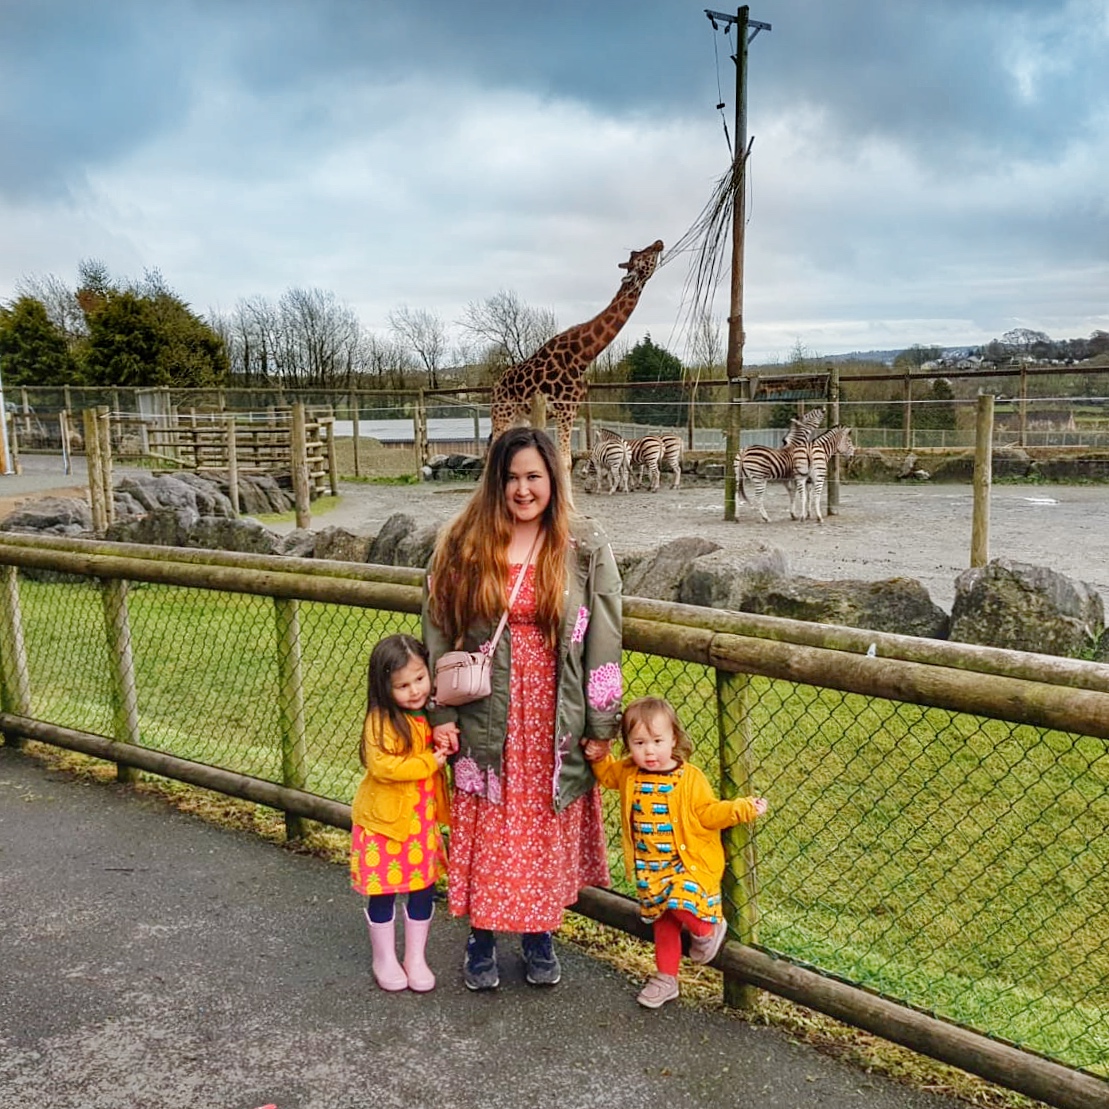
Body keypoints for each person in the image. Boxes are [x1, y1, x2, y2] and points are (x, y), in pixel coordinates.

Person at [423, 426, 623, 990]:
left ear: (553, 479)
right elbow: (440, 629)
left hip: (554, 717)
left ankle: (539, 934)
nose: (522, 489)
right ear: (496, 480)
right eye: (511, 477)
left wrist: (602, 723)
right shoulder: (464, 541)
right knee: (489, 823)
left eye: (533, 476)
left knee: (538, 824)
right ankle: (481, 937)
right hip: (486, 715)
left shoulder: (582, 546)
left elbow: (605, 636)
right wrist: (441, 713)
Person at [584, 695, 767, 1009]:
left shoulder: (690, 779)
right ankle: (666, 978)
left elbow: (709, 813)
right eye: (639, 743)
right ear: (628, 744)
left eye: (657, 741)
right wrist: (598, 756)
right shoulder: (629, 772)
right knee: (664, 921)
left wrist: (741, 809)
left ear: (674, 740)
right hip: (651, 869)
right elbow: (607, 775)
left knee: (679, 902)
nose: (649, 751)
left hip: (687, 864)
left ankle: (707, 928)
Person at [349, 633, 451, 992]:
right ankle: (384, 957)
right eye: (402, 685)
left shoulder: (430, 716)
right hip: (384, 826)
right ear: (383, 687)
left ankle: (415, 956)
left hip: (420, 825)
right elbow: (383, 767)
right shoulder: (381, 721)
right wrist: (428, 761)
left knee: (422, 887)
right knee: (384, 889)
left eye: (420, 678)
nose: (414, 690)